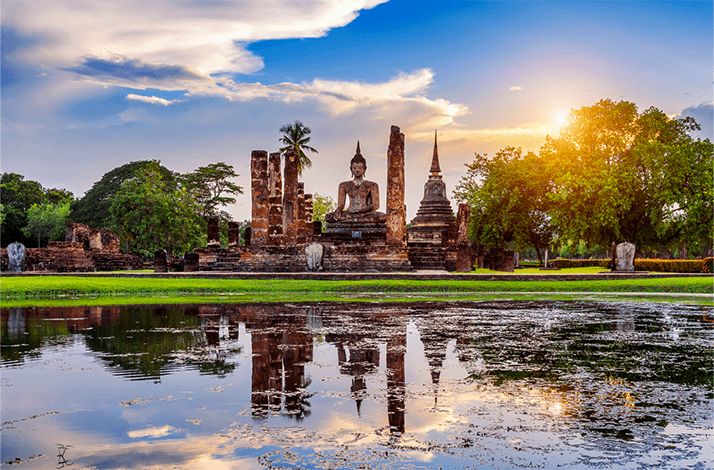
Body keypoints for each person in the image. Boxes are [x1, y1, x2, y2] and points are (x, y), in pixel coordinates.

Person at [325, 143, 387, 223]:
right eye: (354, 167)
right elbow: (341, 204)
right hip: (349, 213)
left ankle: (353, 221)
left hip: (365, 214)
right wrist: (338, 210)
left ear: (365, 169)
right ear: (351, 169)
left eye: (360, 167)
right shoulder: (343, 185)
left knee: (383, 217)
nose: (357, 170)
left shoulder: (372, 185)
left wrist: (363, 210)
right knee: (328, 217)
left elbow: (376, 205)